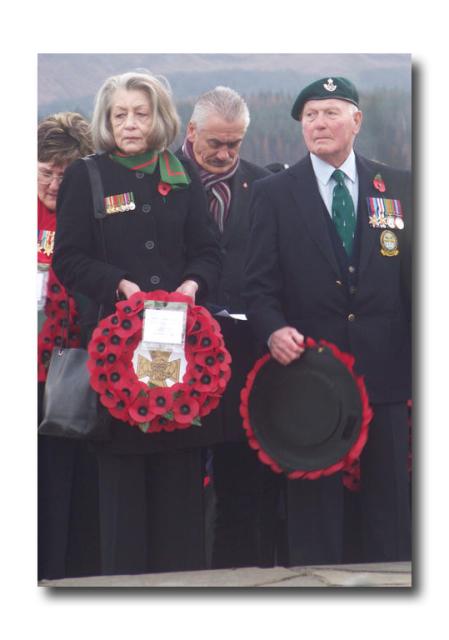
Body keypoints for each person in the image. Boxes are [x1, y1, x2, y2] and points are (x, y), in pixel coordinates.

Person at [52, 70, 221, 576]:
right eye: (120, 114)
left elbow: (210, 251)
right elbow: (69, 258)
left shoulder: (180, 173)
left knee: (179, 498)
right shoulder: (88, 175)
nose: (130, 123)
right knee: (122, 504)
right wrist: (121, 284)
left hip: (180, 358)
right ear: (106, 119)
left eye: (141, 113)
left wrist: (192, 287)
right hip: (115, 356)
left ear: (159, 117)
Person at [244, 77, 411, 565]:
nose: (319, 123)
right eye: (310, 115)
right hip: (310, 376)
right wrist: (272, 328)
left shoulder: (398, 186)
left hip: (386, 368)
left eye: (331, 112)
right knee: (315, 510)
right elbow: (257, 285)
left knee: (390, 507)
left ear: (356, 121)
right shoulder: (274, 193)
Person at [179, 86, 276, 568]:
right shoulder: (160, 180)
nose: (223, 154)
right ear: (190, 130)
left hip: (242, 362)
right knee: (178, 484)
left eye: (234, 144)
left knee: (241, 486)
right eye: (214, 142)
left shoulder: (263, 188)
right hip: (173, 359)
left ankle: (235, 578)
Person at [37, 112, 100, 580]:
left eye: (66, 173)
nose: (56, 183)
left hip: (80, 378)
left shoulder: (90, 218)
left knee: (72, 492)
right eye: (46, 172)